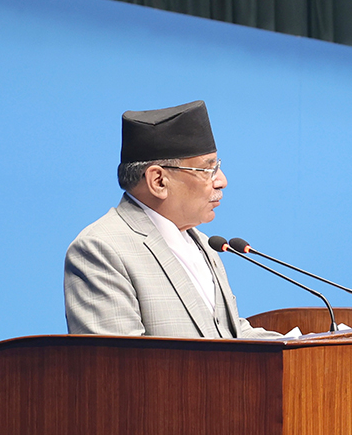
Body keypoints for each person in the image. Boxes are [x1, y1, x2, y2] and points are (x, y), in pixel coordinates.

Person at [64, 100, 281, 338]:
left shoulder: (203, 243)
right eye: (209, 170)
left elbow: (229, 334)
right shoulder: (102, 249)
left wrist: (302, 345)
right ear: (158, 181)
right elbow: (117, 359)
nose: (222, 181)